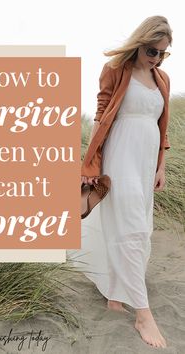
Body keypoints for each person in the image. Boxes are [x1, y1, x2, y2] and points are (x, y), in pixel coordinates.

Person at [68, 16, 172, 348]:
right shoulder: (115, 69)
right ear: (140, 43)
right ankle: (143, 314)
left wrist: (161, 166)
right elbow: (100, 117)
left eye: (162, 54)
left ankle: (116, 292)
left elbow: (162, 128)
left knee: (137, 225)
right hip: (120, 155)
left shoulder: (163, 79)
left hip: (146, 163)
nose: (155, 58)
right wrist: (91, 163)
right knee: (130, 228)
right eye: (151, 51)